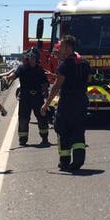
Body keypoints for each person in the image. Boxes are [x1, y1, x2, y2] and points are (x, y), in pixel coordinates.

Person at [41, 35, 91, 171]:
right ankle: (78, 160)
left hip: (68, 102)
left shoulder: (65, 65)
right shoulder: (85, 63)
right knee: (78, 130)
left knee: (62, 129)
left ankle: (64, 161)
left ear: (68, 48)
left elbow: (57, 86)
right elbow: (88, 79)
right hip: (81, 101)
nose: (59, 49)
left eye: (61, 46)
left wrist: (46, 104)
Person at [4, 49, 51, 146]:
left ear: (37, 58)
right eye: (30, 57)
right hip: (25, 98)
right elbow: (15, 75)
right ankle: (23, 139)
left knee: (42, 117)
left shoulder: (40, 69)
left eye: (34, 57)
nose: (32, 59)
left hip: (37, 97)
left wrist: (46, 95)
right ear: (28, 58)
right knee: (23, 119)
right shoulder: (22, 68)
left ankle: (44, 138)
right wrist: (9, 77)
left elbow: (45, 83)